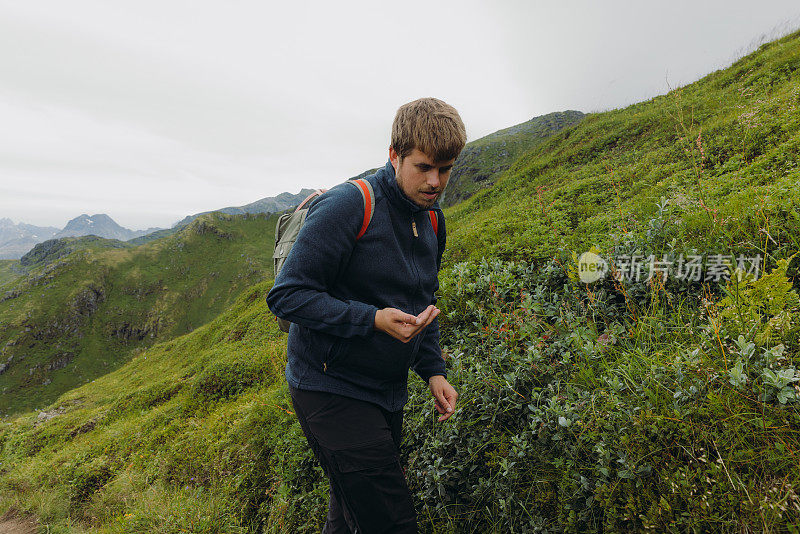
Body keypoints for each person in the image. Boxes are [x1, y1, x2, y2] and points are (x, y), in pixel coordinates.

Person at [267, 97, 465, 533]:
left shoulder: (432, 220)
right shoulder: (349, 206)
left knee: (351, 515)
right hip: (328, 387)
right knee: (390, 522)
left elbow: (422, 299)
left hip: (384, 392)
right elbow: (286, 297)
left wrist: (432, 370)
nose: (435, 182)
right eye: (424, 167)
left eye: (446, 169)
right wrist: (372, 319)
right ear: (394, 155)